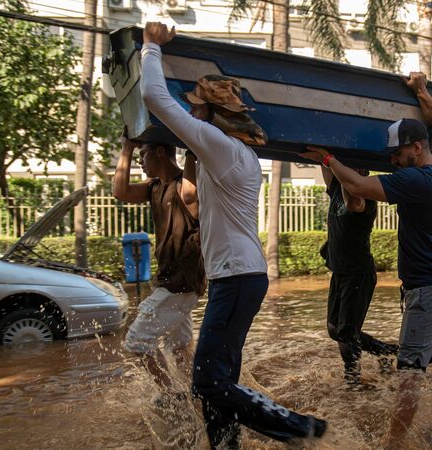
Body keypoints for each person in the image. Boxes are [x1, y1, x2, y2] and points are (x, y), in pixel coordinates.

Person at [139, 23, 326, 448]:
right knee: (219, 381)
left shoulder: (221, 148)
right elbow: (190, 190)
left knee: (206, 380)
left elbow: (155, 98)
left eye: (196, 109)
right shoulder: (230, 154)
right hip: (239, 276)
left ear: (210, 115)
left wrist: (152, 47)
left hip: (238, 277)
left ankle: (299, 427)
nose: (189, 115)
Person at [300, 72, 432, 447]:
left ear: (416, 149)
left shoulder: (418, 181)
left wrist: (328, 157)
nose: (393, 161)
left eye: (397, 154)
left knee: (408, 371)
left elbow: (359, 186)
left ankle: (394, 443)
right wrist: (422, 92)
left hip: (427, 290)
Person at [113, 133, 206, 396]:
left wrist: (190, 147)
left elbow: (191, 195)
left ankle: (171, 395)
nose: (140, 161)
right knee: (180, 348)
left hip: (181, 281)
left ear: (161, 153)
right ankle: (195, 395)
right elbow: (120, 191)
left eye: (143, 154)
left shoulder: (184, 184)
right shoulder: (155, 187)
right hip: (171, 280)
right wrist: (127, 149)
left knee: (136, 342)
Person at [320, 165, 398, 388]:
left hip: (357, 273)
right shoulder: (336, 186)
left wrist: (342, 168)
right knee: (334, 329)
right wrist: (326, 156)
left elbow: (353, 202)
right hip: (340, 271)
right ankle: (385, 351)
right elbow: (326, 169)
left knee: (345, 332)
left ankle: (353, 380)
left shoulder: (364, 197)